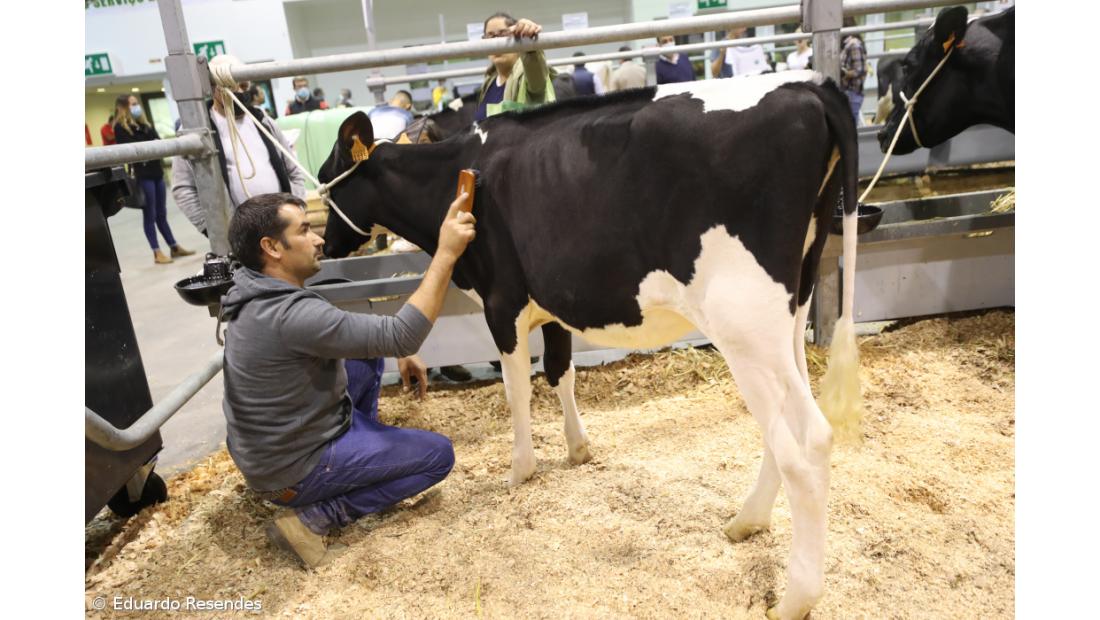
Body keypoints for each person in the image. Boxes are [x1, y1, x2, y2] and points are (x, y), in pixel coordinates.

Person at [221, 191, 476, 567]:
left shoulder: (254, 291)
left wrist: (394, 347)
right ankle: (314, 518)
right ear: (272, 247)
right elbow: (403, 333)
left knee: (364, 353)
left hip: (273, 449)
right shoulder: (292, 316)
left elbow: (370, 337)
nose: (319, 239)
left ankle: (361, 454)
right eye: (305, 230)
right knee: (437, 456)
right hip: (292, 471)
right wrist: (446, 253)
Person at [172, 54, 306, 237]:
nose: (239, 91)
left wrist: (296, 209)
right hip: (237, 235)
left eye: (243, 86)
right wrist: (210, 228)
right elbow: (183, 187)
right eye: (230, 86)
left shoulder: (264, 122)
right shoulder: (197, 130)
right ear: (214, 88)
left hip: (282, 225)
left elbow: (294, 169)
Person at [112, 95, 194, 264]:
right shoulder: (121, 128)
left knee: (161, 213)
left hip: (156, 172)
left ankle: (174, 246)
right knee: (150, 214)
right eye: (133, 104)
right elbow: (130, 150)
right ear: (124, 107)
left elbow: (157, 142)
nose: (137, 107)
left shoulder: (145, 124)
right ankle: (157, 252)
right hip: (142, 175)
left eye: (137, 104)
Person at [475, 13, 554, 121]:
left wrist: (529, 43)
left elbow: (536, 79)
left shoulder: (526, 74)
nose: (497, 42)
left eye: (503, 34)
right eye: (491, 36)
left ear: (517, 36)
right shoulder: (488, 82)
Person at [840, 17, 868, 127]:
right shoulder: (845, 44)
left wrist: (843, 73)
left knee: (850, 127)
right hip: (847, 93)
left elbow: (858, 70)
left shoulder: (853, 44)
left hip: (851, 92)